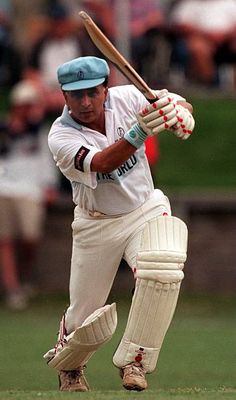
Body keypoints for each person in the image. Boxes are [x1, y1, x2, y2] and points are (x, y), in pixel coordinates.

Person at [43, 56, 195, 392]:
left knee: (163, 268)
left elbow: (177, 101)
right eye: (75, 95)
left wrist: (177, 110)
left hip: (143, 207)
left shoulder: (127, 97)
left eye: (92, 93)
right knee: (85, 317)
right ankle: (69, 365)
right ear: (64, 96)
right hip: (96, 223)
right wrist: (141, 131)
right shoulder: (61, 135)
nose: (85, 103)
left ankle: (135, 362)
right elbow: (101, 162)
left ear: (105, 89)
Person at [0, 80, 58, 310]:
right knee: (4, 240)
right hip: (3, 187)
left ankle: (24, 278)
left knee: (29, 237)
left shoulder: (40, 131)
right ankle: (13, 288)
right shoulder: (4, 129)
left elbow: (47, 159)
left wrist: (49, 185)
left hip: (31, 190)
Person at [168, 0, 236, 86]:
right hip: (200, 38)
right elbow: (181, 25)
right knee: (197, 48)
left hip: (228, 40)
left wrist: (224, 36)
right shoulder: (189, 4)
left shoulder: (230, 3)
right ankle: (210, 85)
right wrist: (207, 35)